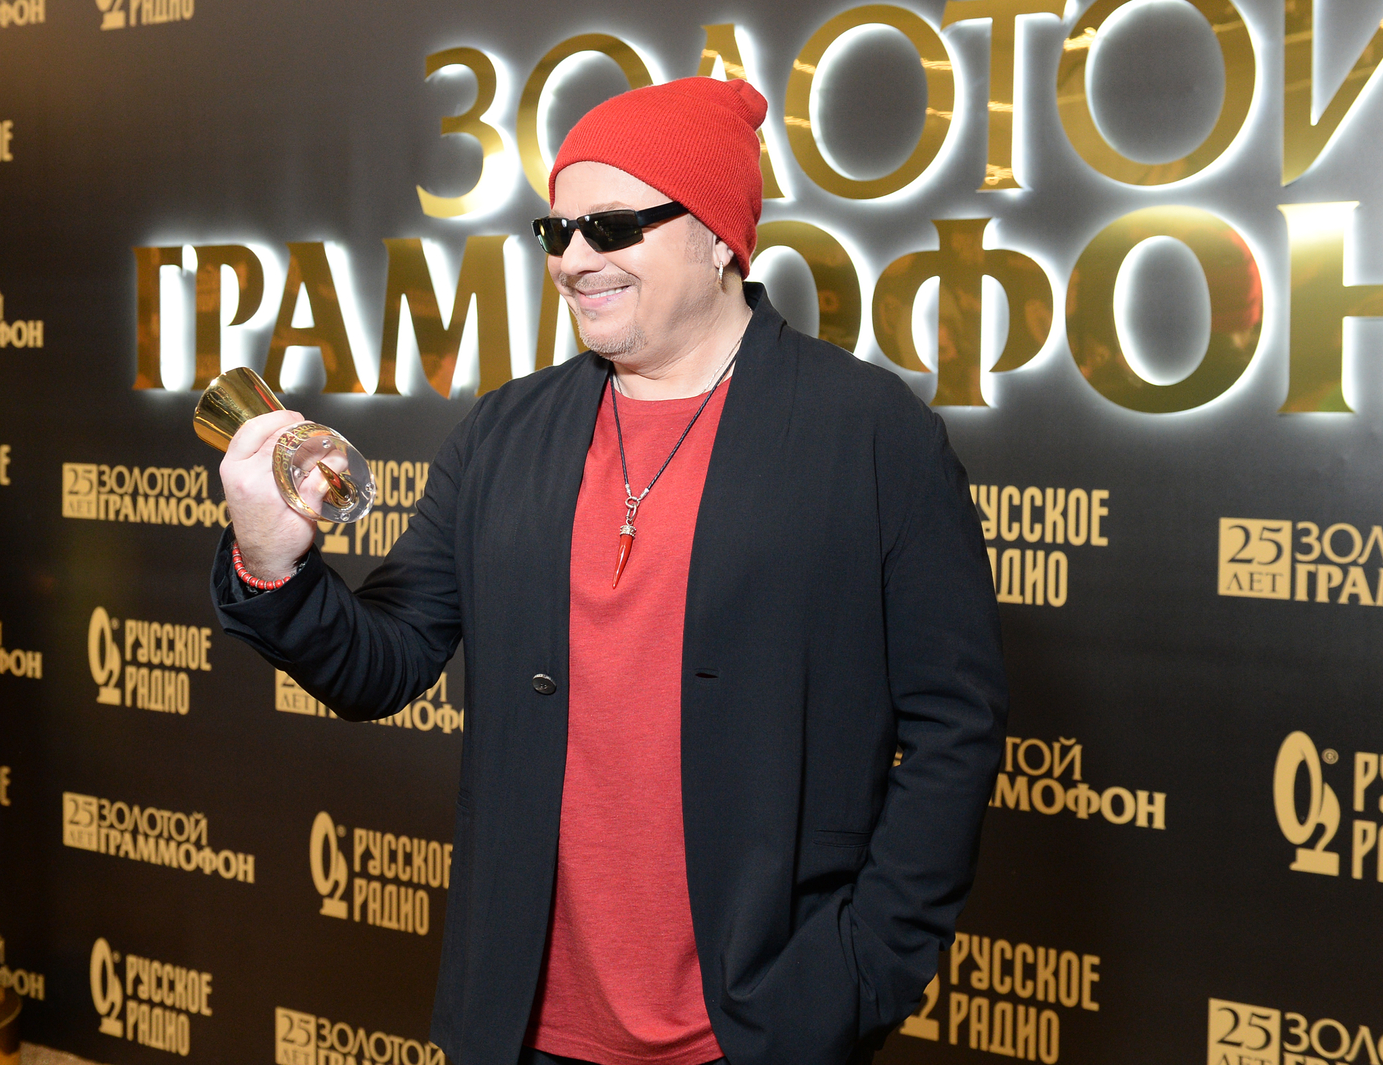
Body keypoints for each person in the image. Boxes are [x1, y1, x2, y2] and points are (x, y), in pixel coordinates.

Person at [213, 77, 1006, 1065]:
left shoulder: (871, 434)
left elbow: (953, 728)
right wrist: (272, 559)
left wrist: (856, 977)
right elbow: (386, 662)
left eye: (614, 227)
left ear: (719, 238)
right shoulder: (505, 433)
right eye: (559, 232)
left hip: (759, 1029)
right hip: (521, 1028)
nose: (575, 259)